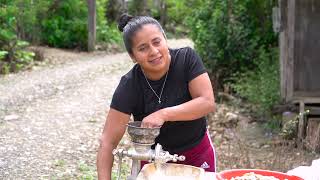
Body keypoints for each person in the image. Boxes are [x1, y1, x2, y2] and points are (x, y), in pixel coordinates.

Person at [96, 14, 216, 180]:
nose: (153, 51)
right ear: (133, 56)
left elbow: (207, 102)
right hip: (153, 162)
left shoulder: (186, 59)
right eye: (143, 48)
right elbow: (107, 143)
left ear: (165, 39)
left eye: (157, 42)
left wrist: (163, 114)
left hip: (197, 154)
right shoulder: (129, 85)